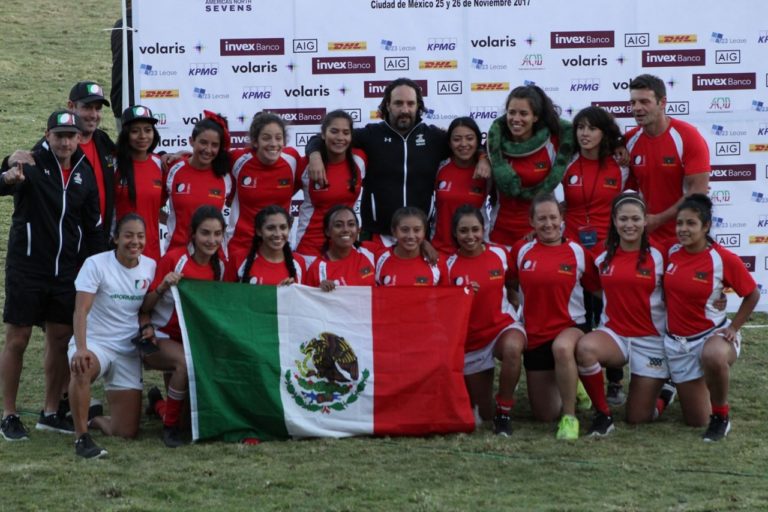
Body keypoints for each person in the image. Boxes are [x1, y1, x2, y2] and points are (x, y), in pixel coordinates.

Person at [0, 111, 104, 441]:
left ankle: (49, 412)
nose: (64, 141)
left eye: (70, 136)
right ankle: (9, 414)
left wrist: (98, 269)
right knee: (18, 340)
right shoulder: (28, 162)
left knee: (59, 340)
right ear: (47, 135)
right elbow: (3, 181)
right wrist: (6, 177)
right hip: (27, 268)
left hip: (66, 273)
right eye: (58, 135)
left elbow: (93, 228)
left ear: (78, 138)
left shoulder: (84, 172)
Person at [305, 77, 489, 249]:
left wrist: (482, 157)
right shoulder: (371, 135)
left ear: (418, 106)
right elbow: (325, 138)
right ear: (387, 105)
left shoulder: (434, 137)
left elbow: (466, 146)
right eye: (398, 103)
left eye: (410, 103)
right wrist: (314, 156)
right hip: (377, 237)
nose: (405, 109)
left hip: (419, 239)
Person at [663, 194, 758, 441]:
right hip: (678, 344)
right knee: (696, 421)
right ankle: (671, 387)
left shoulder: (721, 258)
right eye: (680, 223)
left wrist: (734, 327)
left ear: (706, 227)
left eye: (691, 223)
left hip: (711, 336)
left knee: (713, 356)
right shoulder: (670, 252)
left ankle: (721, 417)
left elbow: (752, 294)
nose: (683, 229)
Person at [574, 193, 669, 437]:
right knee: (585, 349)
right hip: (614, 335)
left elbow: (679, 291)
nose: (630, 225)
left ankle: (665, 394)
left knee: (638, 418)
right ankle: (603, 415)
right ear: (614, 221)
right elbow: (593, 286)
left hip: (651, 340)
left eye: (636, 219)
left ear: (645, 220)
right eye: (623, 219)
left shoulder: (661, 255)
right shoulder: (601, 255)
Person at [508, 193, 600, 439]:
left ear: (562, 219)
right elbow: (509, 281)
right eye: (542, 219)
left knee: (561, 348)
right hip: (536, 335)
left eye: (553, 217)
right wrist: (514, 301)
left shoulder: (578, 252)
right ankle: (573, 383)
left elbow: (599, 288)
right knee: (544, 414)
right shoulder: (521, 249)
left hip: (571, 328)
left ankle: (569, 419)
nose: (548, 224)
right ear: (532, 222)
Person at [68, 213, 156, 458]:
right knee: (82, 367)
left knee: (125, 431)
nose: (134, 242)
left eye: (140, 236)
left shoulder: (150, 266)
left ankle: (94, 417)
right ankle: (81, 437)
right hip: (96, 343)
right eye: (128, 235)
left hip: (127, 349)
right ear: (115, 238)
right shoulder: (96, 264)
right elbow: (81, 310)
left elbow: (144, 310)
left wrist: (147, 327)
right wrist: (81, 347)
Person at [141, 205, 227, 447]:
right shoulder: (173, 259)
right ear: (193, 234)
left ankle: (158, 404)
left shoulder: (221, 266)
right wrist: (162, 287)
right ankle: (168, 430)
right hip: (161, 337)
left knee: (186, 423)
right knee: (184, 363)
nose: (211, 240)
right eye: (205, 233)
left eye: (217, 233)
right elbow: (144, 307)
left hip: (195, 340)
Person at [562, 106, 629, 406]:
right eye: (580, 128)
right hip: (574, 252)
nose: (585, 134)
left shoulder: (620, 165)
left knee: (609, 312)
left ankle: (615, 380)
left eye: (591, 128)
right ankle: (581, 378)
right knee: (580, 314)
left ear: (604, 133)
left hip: (608, 251)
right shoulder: (565, 164)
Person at [445, 206, 525, 436]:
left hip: (502, 327)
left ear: (484, 229)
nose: (470, 236)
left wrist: (515, 302)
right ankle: (492, 410)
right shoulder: (448, 265)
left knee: (512, 348)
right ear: (455, 234)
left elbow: (513, 281)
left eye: (475, 230)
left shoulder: (500, 253)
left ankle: (504, 410)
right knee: (482, 413)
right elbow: (442, 303)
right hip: (472, 341)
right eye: (463, 231)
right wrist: (460, 293)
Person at [10, 81, 116, 248]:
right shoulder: (49, 150)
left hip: (97, 240)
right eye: (88, 107)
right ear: (71, 106)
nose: (94, 114)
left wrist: (163, 156)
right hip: (65, 248)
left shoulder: (103, 141)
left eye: (98, 108)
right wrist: (8, 163)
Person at [625, 74, 709, 247]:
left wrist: (659, 219)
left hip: (685, 238)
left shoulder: (687, 137)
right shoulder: (629, 141)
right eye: (633, 103)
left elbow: (698, 191)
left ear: (662, 103)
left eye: (644, 102)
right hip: (645, 240)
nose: (637, 108)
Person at [487, 85, 575, 246]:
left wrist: (618, 146)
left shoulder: (553, 142)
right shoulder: (496, 143)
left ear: (535, 117)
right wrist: (481, 157)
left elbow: (593, 138)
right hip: (500, 234)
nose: (516, 119)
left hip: (540, 235)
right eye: (511, 112)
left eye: (523, 113)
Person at [295, 110, 366, 265]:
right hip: (310, 249)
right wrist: (314, 154)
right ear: (323, 134)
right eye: (334, 131)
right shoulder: (304, 165)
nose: (340, 138)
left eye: (346, 133)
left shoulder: (360, 159)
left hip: (345, 247)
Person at [226, 113, 302, 256]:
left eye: (278, 138)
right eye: (266, 138)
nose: (273, 143)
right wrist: (181, 155)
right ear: (255, 141)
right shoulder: (238, 159)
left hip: (278, 245)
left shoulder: (292, 159)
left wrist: (316, 155)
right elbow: (205, 160)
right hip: (241, 244)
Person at [164, 114, 232, 252]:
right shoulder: (173, 168)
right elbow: (153, 208)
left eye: (214, 145)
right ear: (191, 141)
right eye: (203, 142)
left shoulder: (226, 175)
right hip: (177, 253)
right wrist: (173, 223)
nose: (208, 150)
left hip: (212, 257)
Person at [431, 117, 490, 255]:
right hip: (441, 250)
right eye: (457, 139)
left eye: (470, 138)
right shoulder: (439, 167)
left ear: (477, 141)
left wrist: (483, 158)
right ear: (450, 143)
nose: (463, 144)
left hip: (475, 250)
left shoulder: (486, 170)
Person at [114, 105, 163, 262]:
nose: (143, 136)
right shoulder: (113, 165)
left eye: (148, 130)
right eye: (135, 131)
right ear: (126, 134)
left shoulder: (161, 165)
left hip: (151, 251)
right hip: (119, 251)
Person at [226, 205, 306, 285]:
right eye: (270, 228)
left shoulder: (299, 262)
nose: (278, 234)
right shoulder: (238, 259)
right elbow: (225, 295)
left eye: (283, 227)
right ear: (259, 231)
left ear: (289, 229)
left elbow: (304, 296)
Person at [305, 205, 375, 290]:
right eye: (338, 225)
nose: (346, 229)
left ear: (358, 230)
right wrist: (318, 291)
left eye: (351, 224)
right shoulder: (317, 268)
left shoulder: (371, 252)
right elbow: (307, 300)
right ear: (327, 231)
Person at [375, 207, 444, 287]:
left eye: (417, 230)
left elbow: (448, 297)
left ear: (424, 232)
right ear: (394, 231)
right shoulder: (378, 258)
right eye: (404, 230)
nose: (411, 236)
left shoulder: (436, 261)